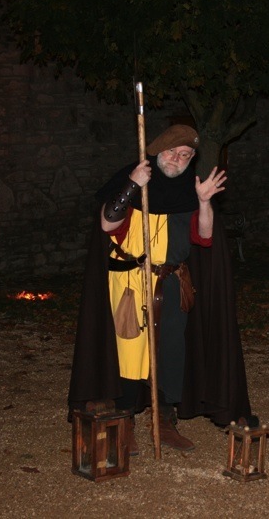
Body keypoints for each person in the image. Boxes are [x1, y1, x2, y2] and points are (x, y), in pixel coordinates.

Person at [68, 124, 255, 455]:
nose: (177, 159)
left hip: (172, 282)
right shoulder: (134, 179)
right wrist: (132, 185)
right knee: (129, 352)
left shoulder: (191, 189)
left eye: (185, 154)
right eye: (171, 151)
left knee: (171, 350)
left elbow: (205, 237)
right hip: (130, 282)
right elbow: (107, 223)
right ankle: (125, 422)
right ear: (157, 150)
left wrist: (204, 202)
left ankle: (165, 421)